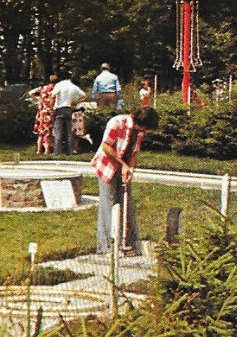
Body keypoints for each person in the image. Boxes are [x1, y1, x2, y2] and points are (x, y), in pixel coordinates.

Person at [91, 106, 160, 256]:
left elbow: (134, 152)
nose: (143, 131)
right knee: (108, 204)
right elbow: (106, 147)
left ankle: (130, 242)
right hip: (107, 165)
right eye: (142, 127)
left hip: (124, 166)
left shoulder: (140, 131)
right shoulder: (116, 122)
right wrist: (123, 165)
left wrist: (131, 170)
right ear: (136, 119)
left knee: (127, 204)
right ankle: (108, 247)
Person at [51, 70, 86, 156]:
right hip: (68, 109)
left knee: (58, 131)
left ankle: (57, 152)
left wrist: (51, 109)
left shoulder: (59, 85)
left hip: (60, 108)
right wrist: (75, 102)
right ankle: (70, 151)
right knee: (69, 132)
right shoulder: (73, 86)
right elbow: (84, 95)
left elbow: (52, 96)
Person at [29, 74, 58, 156]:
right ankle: (47, 150)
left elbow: (31, 93)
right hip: (49, 111)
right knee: (48, 132)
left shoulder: (43, 88)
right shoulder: (54, 89)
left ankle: (39, 150)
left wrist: (38, 100)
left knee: (41, 132)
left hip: (41, 111)